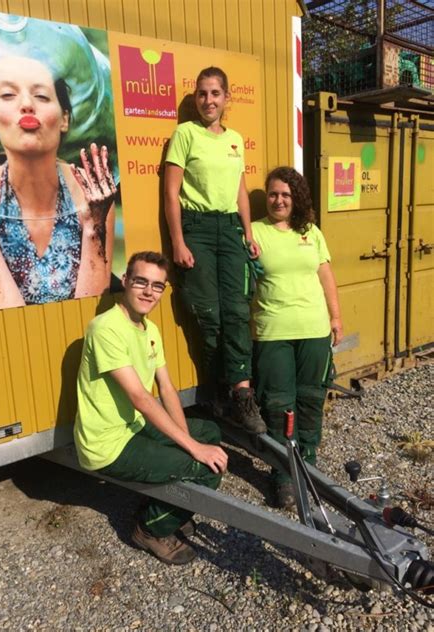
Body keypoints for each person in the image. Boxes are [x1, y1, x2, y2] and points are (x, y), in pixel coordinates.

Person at [74, 251, 228, 565]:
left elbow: (166, 388)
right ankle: (151, 528)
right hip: (108, 443)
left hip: (134, 427)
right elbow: (141, 399)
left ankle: (167, 503)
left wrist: (191, 441)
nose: (149, 292)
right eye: (141, 282)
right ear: (125, 281)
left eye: (157, 286)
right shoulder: (105, 329)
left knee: (209, 432)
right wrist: (193, 451)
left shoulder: (150, 330)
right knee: (205, 468)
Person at [0, 55, 116, 312]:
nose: (27, 105)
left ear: (64, 118)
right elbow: (1, 317)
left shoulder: (93, 191)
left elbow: (93, 309)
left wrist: (94, 225)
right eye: (9, 94)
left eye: (42, 96)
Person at [164, 66, 266, 434]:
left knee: (237, 311)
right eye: (203, 94)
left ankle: (242, 393)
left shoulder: (235, 139)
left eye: (215, 93)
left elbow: (240, 190)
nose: (209, 100)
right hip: (198, 229)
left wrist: (248, 231)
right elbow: (171, 193)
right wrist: (178, 241)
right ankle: (218, 389)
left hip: (230, 231)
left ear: (226, 98)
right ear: (196, 99)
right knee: (209, 315)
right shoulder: (185, 134)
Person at [251, 167, 343, 508]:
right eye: (273, 194)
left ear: (296, 198)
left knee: (310, 399)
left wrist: (336, 316)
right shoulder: (255, 232)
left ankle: (309, 466)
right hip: (274, 330)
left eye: (286, 195)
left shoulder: (312, 232)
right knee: (277, 404)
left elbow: (326, 275)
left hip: (314, 329)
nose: (278, 200)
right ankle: (284, 475)